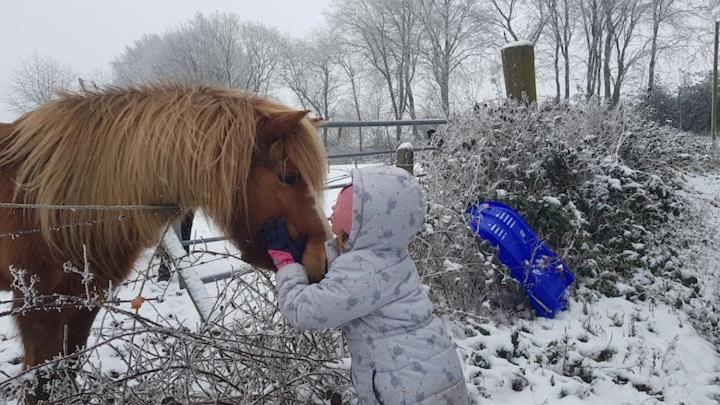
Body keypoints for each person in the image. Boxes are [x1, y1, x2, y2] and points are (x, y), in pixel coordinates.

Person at [263, 166, 469, 405]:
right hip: (434, 373)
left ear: (364, 221)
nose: (330, 209)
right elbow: (347, 282)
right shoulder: (390, 256)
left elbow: (304, 311)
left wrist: (287, 264)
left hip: (407, 391)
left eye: (340, 205)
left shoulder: (363, 269)